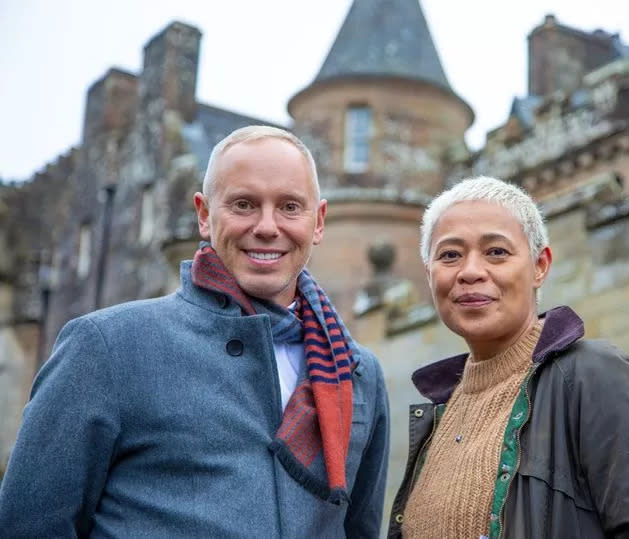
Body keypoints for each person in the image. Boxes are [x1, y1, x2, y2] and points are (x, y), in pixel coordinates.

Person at [0, 126, 390, 538]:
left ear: (319, 221)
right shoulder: (107, 346)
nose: (267, 226)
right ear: (204, 215)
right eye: (244, 204)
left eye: (290, 207)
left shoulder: (359, 372)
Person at [388, 176, 629, 538]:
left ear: (540, 265)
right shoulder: (435, 419)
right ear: (429, 273)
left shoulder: (596, 377)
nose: (470, 272)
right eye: (450, 255)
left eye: (496, 251)